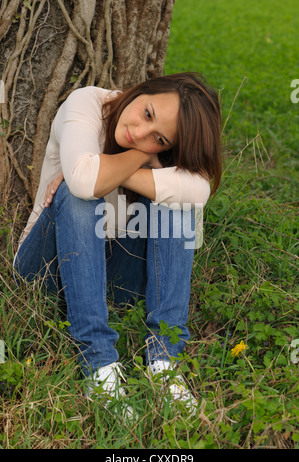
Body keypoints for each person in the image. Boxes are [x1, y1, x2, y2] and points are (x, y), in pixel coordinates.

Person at [13, 72, 222, 415]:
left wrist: (113, 166)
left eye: (158, 139)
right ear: (142, 89)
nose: (139, 133)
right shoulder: (87, 104)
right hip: (45, 270)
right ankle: (100, 366)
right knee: (78, 194)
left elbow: (199, 191)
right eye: (148, 113)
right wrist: (141, 160)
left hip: (112, 272)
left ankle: (164, 362)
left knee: (179, 206)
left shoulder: (150, 147)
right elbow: (82, 182)